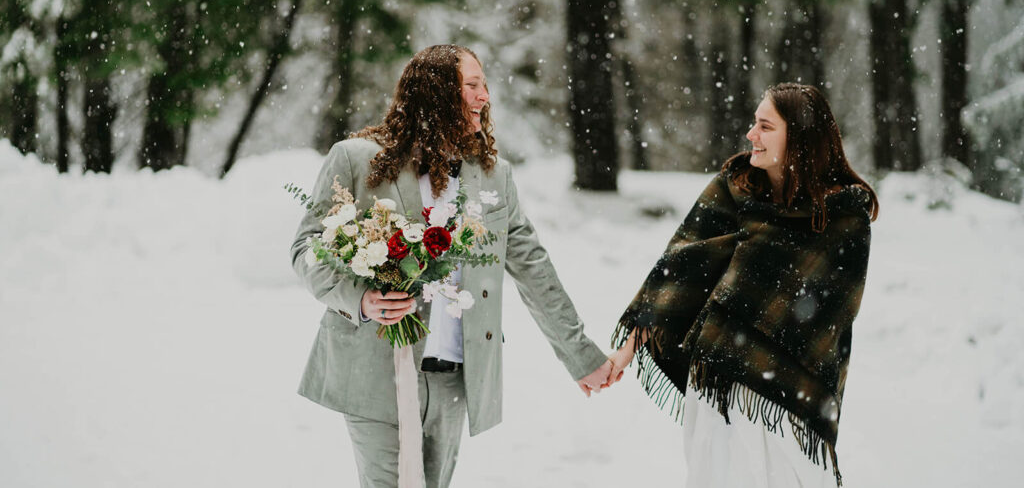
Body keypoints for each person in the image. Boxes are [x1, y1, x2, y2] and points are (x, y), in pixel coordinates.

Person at [290, 44, 613, 488]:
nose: (485, 96)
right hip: (374, 369)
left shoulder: (493, 175)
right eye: (472, 85)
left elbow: (533, 267)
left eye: (485, 85)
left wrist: (581, 356)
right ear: (436, 93)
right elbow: (308, 246)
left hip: (455, 376)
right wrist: (361, 298)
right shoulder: (357, 159)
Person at [608, 83, 878, 487]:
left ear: (800, 139)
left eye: (765, 126)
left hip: (787, 398)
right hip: (716, 386)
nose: (751, 134)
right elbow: (676, 271)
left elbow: (831, 316)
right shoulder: (733, 190)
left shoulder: (843, 219)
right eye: (754, 123)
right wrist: (623, 353)